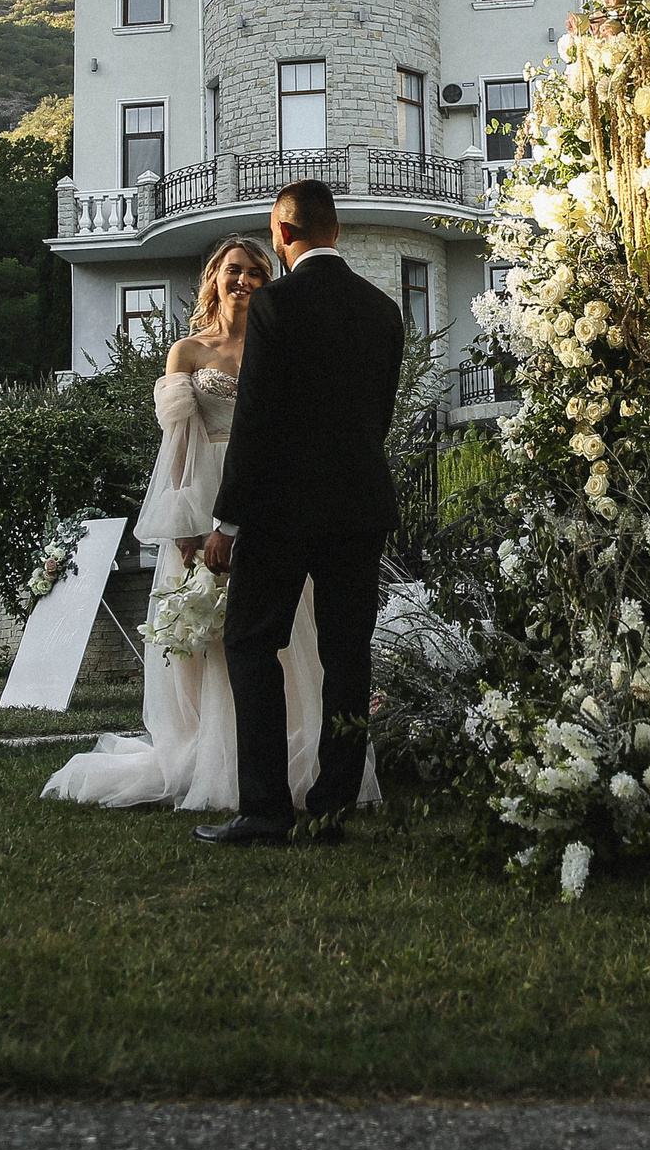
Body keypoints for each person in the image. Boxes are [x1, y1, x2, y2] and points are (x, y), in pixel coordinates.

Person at [40, 235, 381, 814]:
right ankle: (215, 759)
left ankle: (294, 764)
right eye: (232, 271)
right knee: (218, 645)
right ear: (213, 279)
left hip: (274, 502)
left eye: (255, 271)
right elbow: (175, 449)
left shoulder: (282, 346)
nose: (243, 280)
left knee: (284, 639)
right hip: (206, 499)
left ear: (269, 283)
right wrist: (186, 525)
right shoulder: (188, 353)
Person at [194, 181, 406, 847]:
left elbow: (254, 420)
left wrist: (226, 523)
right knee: (349, 655)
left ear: (281, 233)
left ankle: (265, 810)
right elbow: (378, 416)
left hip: (282, 511)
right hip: (359, 505)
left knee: (252, 643)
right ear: (334, 230)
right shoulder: (384, 310)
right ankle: (334, 807)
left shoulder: (274, 306)